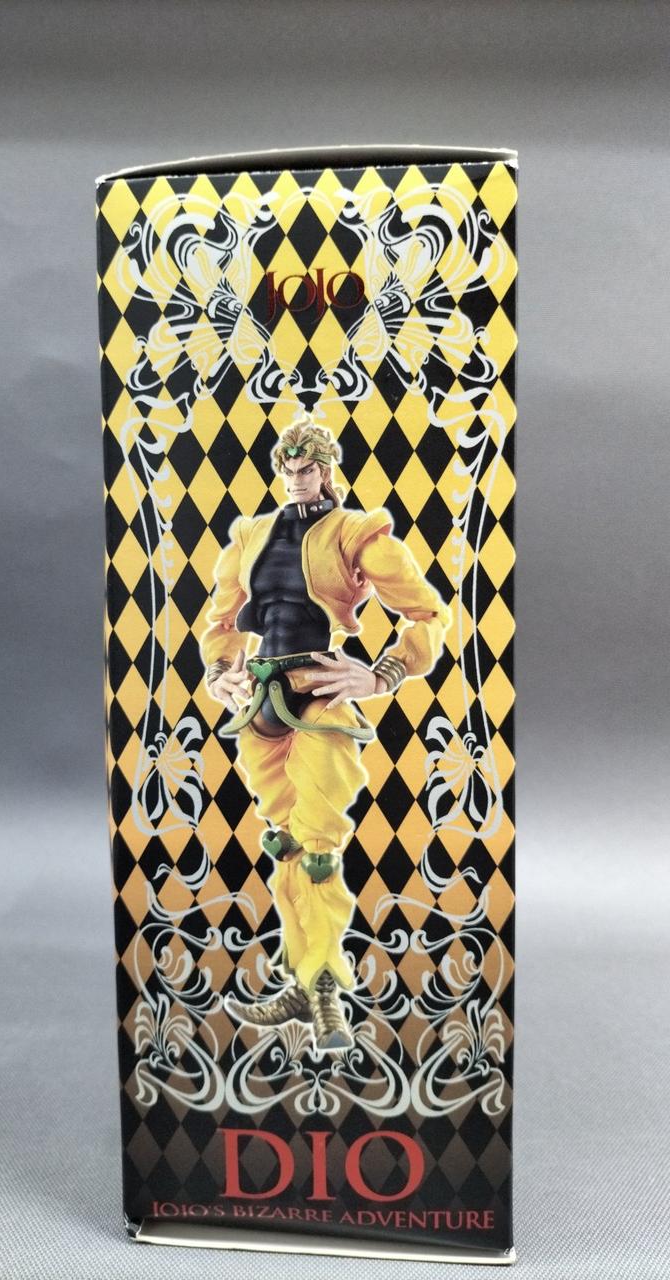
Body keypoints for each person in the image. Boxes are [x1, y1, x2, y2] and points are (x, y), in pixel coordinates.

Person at [200, 412, 452, 1051]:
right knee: (285, 842)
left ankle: (324, 992)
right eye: (286, 469)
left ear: (326, 470)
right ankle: (299, 976)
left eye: (306, 469)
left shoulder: (355, 532)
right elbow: (221, 620)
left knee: (318, 846)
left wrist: (384, 672)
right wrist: (220, 671)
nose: (295, 479)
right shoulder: (251, 533)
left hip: (321, 690)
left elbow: (427, 613)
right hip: (260, 698)